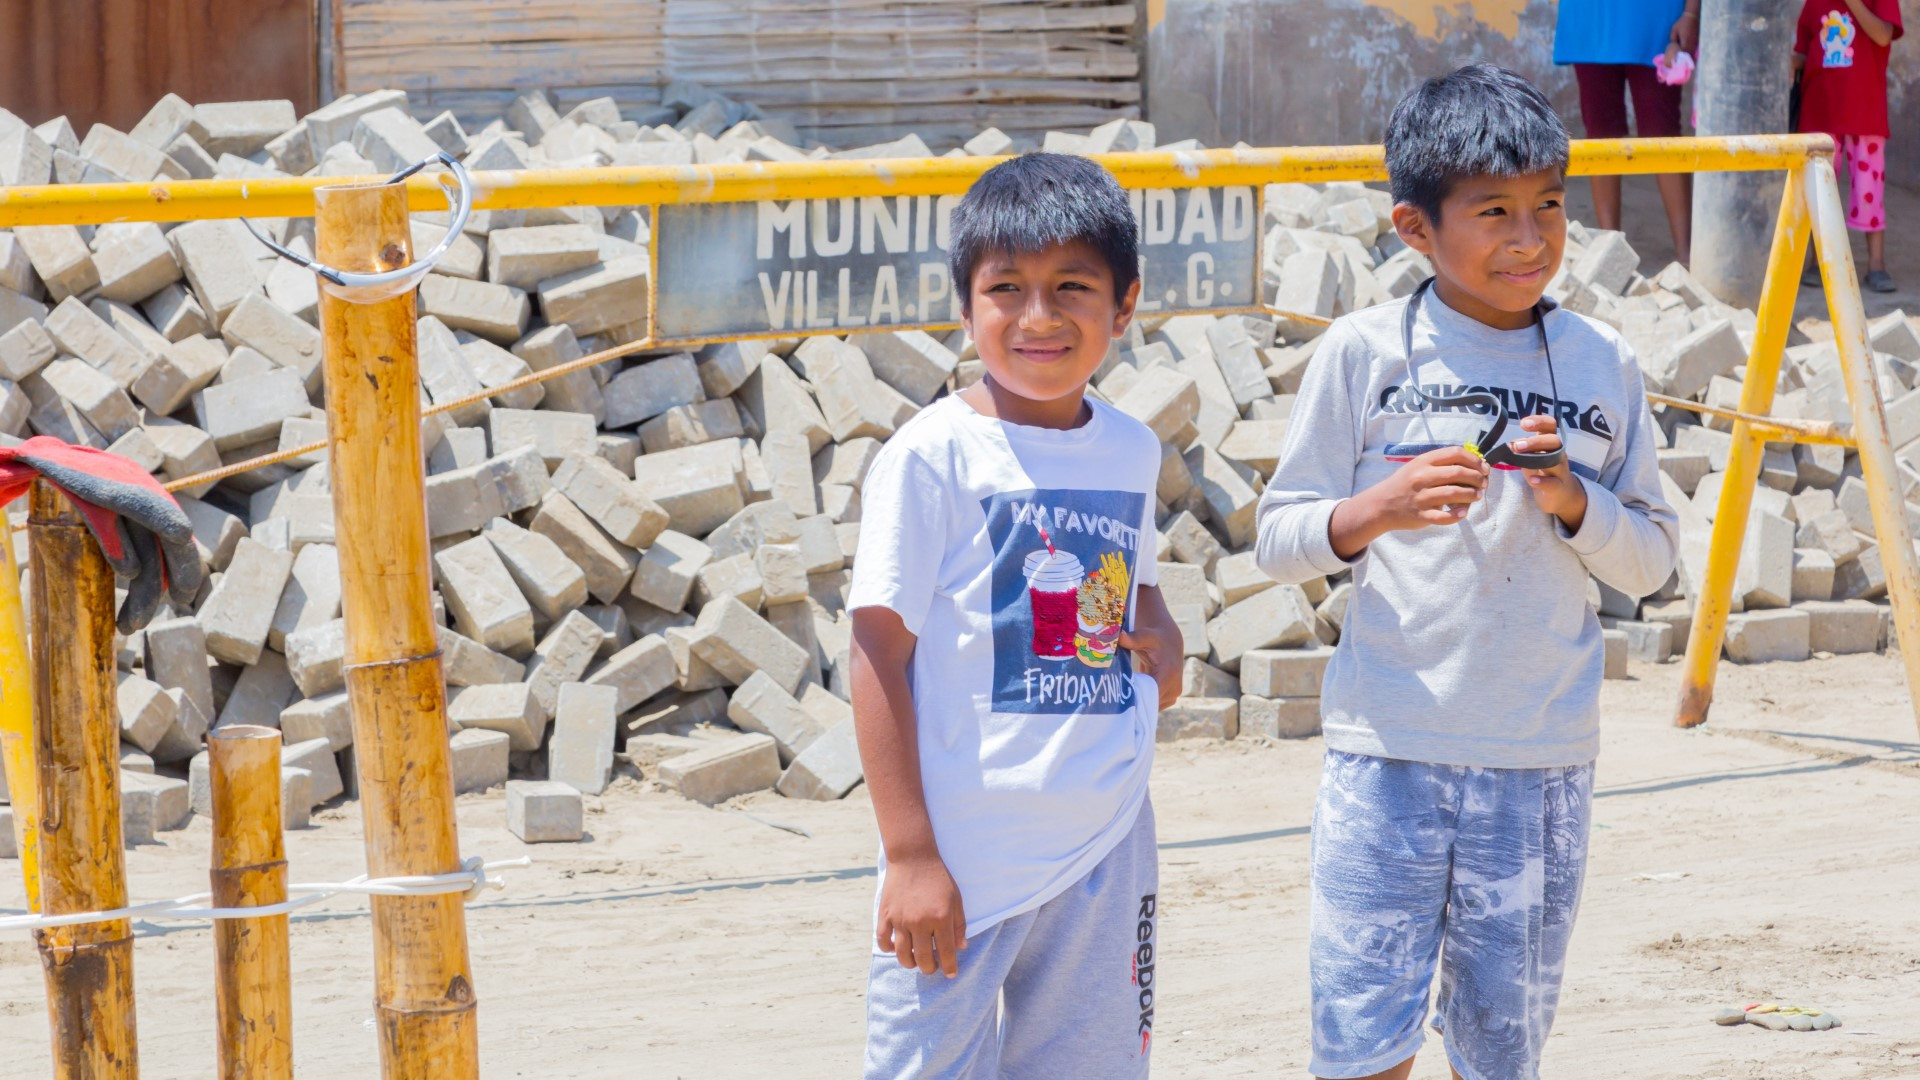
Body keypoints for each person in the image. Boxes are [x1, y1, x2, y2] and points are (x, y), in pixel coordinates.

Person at [1254, 65, 1679, 1080]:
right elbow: (1279, 537)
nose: (1529, 239)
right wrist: (1376, 511)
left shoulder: (1602, 361)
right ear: (1414, 228)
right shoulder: (1363, 354)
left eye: (1547, 208)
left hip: (1539, 760)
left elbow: (1656, 562)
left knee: (1499, 1051)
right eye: (1493, 213)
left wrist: (1573, 500)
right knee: (1364, 1044)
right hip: (1387, 750)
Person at [848, 151, 1182, 1080]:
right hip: (962, 861)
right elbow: (876, 652)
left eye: (1072, 286)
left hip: (1104, 845)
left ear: (1124, 306)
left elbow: (1142, 587)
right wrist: (910, 853)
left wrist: (1167, 638)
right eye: (1007, 288)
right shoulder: (933, 458)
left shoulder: (1129, 448)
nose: (1039, 317)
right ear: (965, 306)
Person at [1554, 0, 1700, 263]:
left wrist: (1691, 12)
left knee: (1662, 134)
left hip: (1656, 18)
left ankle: (1687, 254)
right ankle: (1610, 251)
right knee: (1600, 135)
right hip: (1590, 18)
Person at [1795, 0, 1904, 293]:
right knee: (1819, 190)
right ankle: (1818, 262)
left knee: (1870, 189)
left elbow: (1883, 35)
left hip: (1864, 112)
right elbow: (1802, 52)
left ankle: (1876, 265)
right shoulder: (1813, 4)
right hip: (1821, 112)